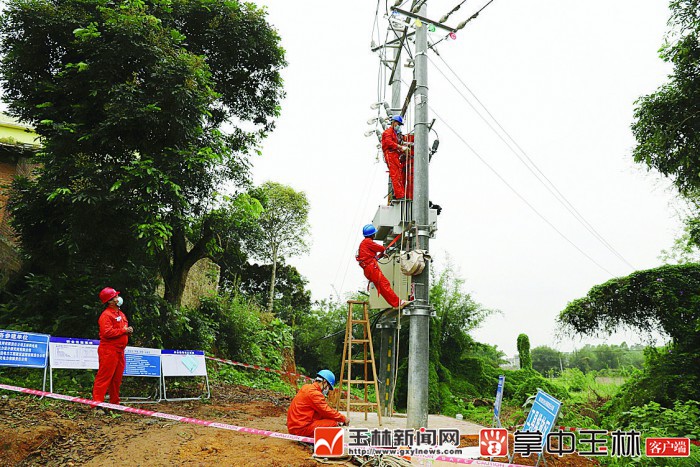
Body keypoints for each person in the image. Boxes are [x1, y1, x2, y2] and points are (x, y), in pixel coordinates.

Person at [92, 287, 133, 408]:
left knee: (116, 379)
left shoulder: (120, 314)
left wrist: (127, 331)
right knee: (104, 378)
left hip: (120, 351)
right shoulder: (106, 315)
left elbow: (121, 329)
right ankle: (97, 404)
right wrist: (123, 330)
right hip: (109, 350)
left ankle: (114, 404)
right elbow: (106, 333)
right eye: (115, 297)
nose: (118, 298)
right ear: (110, 301)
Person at [356, 224, 411, 309]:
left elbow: (371, 254)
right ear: (372, 234)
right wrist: (383, 251)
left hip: (369, 269)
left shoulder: (364, 244)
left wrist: (381, 255)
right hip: (371, 268)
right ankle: (398, 303)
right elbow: (380, 248)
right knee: (384, 285)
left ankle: (396, 303)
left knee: (383, 286)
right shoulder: (367, 242)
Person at [287, 370, 349, 437]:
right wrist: (343, 418)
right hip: (300, 429)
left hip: (294, 426)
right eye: (328, 386)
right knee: (333, 423)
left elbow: (322, 412)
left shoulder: (306, 387)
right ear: (324, 382)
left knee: (322, 416)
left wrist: (336, 417)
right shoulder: (315, 394)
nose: (327, 389)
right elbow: (326, 411)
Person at [381, 115, 411, 200]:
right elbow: (389, 143)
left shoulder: (394, 134)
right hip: (390, 155)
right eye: (398, 124)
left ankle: (398, 193)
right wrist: (401, 147)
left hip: (394, 155)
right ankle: (399, 195)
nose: (399, 126)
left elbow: (394, 145)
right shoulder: (388, 132)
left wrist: (402, 150)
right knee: (395, 175)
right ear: (394, 122)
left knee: (399, 175)